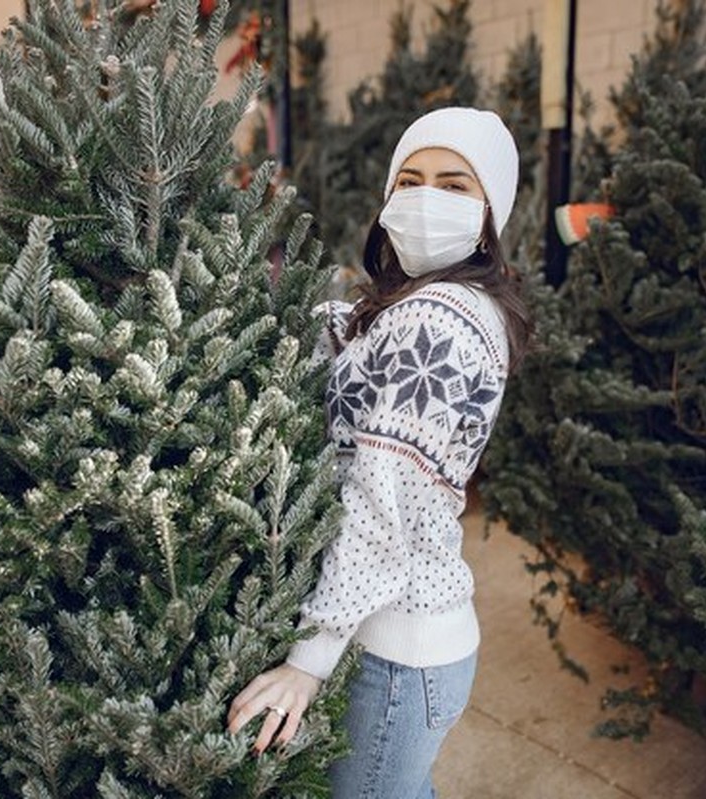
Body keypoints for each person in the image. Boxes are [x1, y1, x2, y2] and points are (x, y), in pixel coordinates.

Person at [227, 107, 533, 798]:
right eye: (412, 179)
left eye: (455, 185)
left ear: (491, 213)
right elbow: (349, 341)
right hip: (407, 648)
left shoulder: (439, 320)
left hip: (395, 654)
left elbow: (379, 503)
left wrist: (309, 659)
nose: (428, 199)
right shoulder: (425, 307)